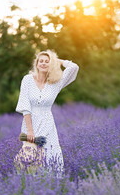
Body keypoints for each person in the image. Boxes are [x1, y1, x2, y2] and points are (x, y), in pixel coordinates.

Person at [15, 49, 79, 177]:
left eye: (47, 62)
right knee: (31, 157)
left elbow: (74, 67)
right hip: (30, 124)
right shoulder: (27, 80)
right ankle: (31, 188)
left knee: (51, 155)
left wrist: (57, 61)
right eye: (41, 61)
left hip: (48, 124)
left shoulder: (56, 82)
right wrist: (30, 131)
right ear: (37, 64)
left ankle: (53, 186)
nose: (43, 63)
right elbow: (25, 106)